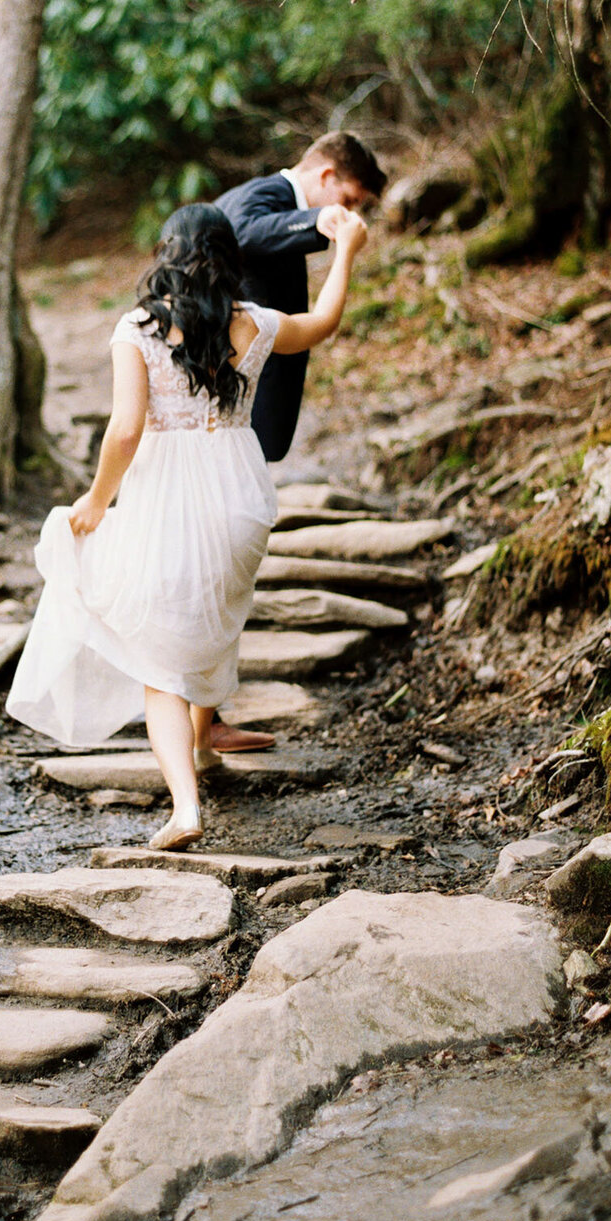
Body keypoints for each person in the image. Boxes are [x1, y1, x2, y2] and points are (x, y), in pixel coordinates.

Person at [6, 201, 369, 851]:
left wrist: (95, 500)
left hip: (166, 495)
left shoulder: (138, 328)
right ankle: (203, 742)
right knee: (212, 611)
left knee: (161, 660)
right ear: (230, 258)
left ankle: (184, 808)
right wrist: (345, 252)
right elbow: (323, 323)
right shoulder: (254, 322)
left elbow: (125, 430)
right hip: (240, 494)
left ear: (166, 254)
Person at [207, 131, 386, 757]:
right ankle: (202, 716)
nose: (351, 213)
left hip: (242, 407)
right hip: (226, 414)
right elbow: (246, 233)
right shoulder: (261, 197)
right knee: (218, 564)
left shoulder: (273, 204)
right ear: (327, 175)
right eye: (351, 199)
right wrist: (321, 224)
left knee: (226, 565)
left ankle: (206, 714)